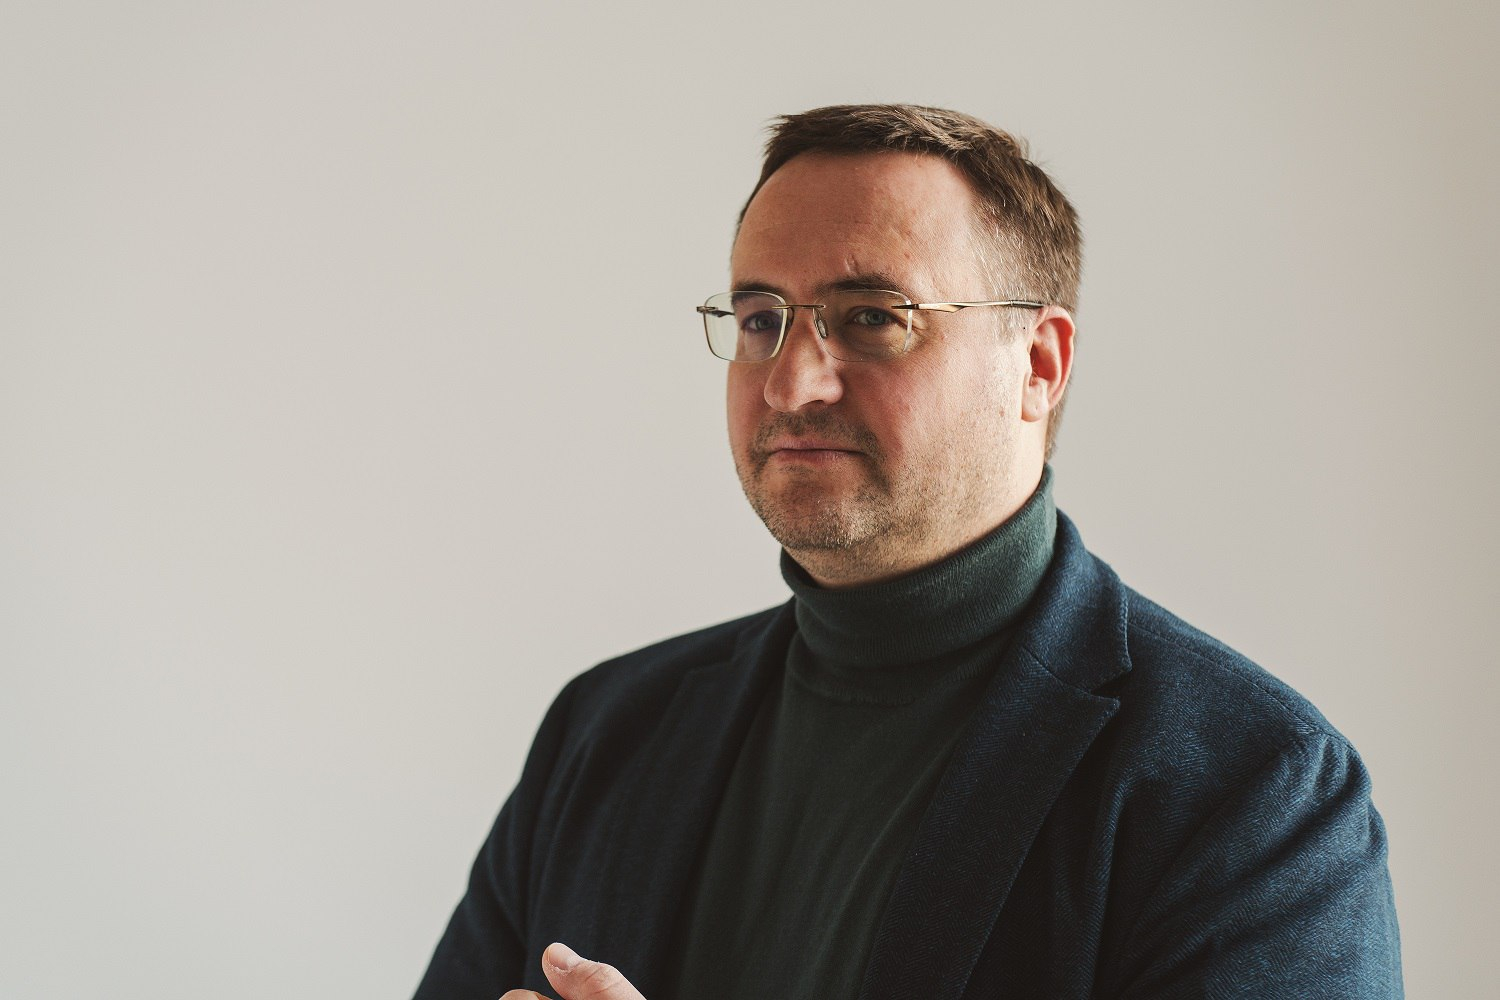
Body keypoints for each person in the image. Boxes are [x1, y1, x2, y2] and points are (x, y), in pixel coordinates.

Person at [412, 104, 1403, 1000]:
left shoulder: (1252, 788)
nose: (792, 381)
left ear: (1040, 364)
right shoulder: (605, 729)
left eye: (872, 318)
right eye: (760, 319)